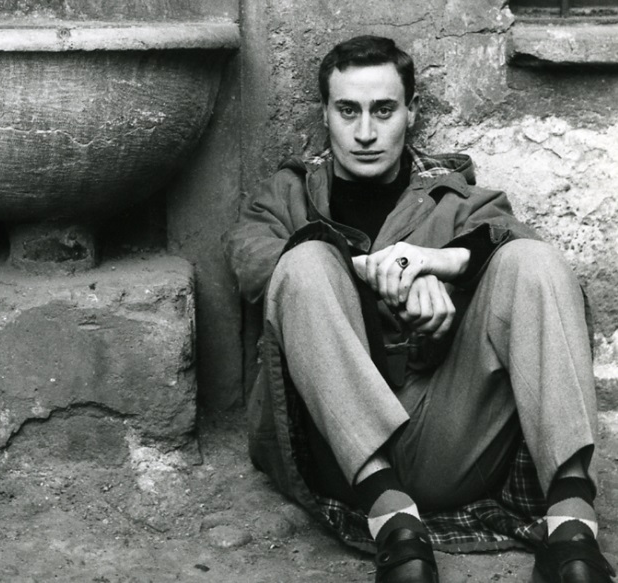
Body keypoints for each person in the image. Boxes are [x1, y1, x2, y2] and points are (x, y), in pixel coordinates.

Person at [224, 35, 614, 583]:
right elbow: (251, 261)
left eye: (383, 110)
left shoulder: (452, 196)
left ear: (410, 112)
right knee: (304, 261)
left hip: (452, 435)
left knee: (534, 261)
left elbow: (512, 239)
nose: (365, 132)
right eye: (348, 111)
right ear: (325, 114)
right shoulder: (287, 195)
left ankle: (571, 527)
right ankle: (395, 524)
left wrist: (434, 262)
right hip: (342, 455)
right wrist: (377, 272)